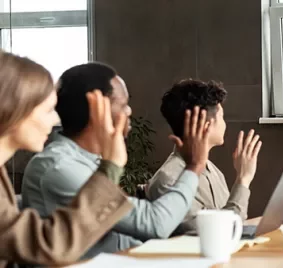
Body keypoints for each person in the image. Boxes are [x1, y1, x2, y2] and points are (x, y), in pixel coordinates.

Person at [20, 63, 211, 259]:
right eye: (122, 104)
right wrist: (193, 166)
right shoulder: (59, 168)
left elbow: (122, 237)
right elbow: (156, 223)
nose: (128, 111)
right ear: (95, 107)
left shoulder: (87, 161)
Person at [0, 51, 134, 267]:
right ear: (13, 109)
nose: (55, 119)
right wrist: (111, 165)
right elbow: (50, 245)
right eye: (48, 110)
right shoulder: (54, 165)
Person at [147, 79, 263, 235]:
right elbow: (216, 234)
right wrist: (243, 179)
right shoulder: (168, 181)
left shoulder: (213, 171)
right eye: (222, 117)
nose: (225, 124)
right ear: (207, 125)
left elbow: (233, 222)